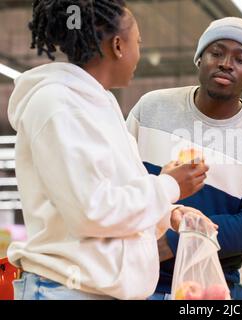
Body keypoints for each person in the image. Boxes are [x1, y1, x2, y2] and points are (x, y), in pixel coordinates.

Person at [7, 0, 212, 300]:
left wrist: (168, 214)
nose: (138, 52)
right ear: (118, 45)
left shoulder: (100, 105)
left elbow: (114, 195)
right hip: (66, 292)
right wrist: (168, 186)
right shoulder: (57, 105)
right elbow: (92, 211)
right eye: (137, 42)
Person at [127, 17, 242, 300]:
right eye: (216, 52)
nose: (226, 63)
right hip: (136, 281)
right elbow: (121, 182)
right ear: (200, 59)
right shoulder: (151, 108)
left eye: (241, 59)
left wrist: (176, 241)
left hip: (210, 289)